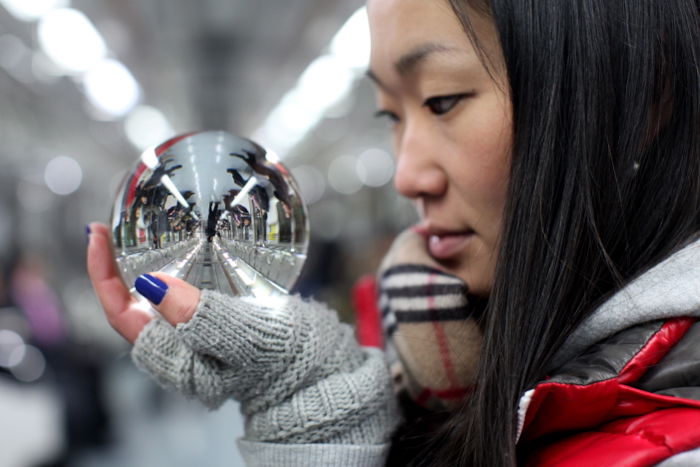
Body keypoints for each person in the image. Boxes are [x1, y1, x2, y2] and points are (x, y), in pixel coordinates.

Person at [86, 0, 700, 465]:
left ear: (645, 94)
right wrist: (320, 413)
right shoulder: (430, 364)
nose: (406, 174)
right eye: (390, 114)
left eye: (442, 100)